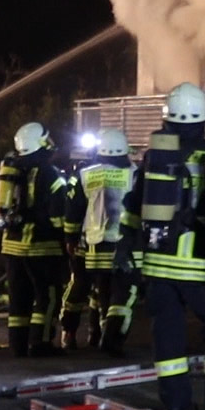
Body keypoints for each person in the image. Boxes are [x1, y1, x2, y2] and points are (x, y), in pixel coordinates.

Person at [117, 86, 205, 410]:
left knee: (168, 336)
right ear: (204, 122)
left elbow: (134, 205)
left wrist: (125, 245)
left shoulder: (154, 158)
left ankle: (177, 405)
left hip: (158, 265)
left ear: (167, 119)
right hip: (201, 268)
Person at [0, 122, 73, 357]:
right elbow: (58, 214)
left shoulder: (12, 170)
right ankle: (41, 344)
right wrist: (66, 237)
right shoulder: (50, 173)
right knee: (47, 296)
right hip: (42, 246)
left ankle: (18, 346)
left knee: (19, 297)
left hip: (12, 245)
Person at [62, 128, 138, 354]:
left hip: (92, 244)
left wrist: (70, 237)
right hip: (123, 244)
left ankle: (76, 334)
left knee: (93, 289)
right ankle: (107, 336)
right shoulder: (134, 173)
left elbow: (73, 209)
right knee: (116, 294)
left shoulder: (85, 174)